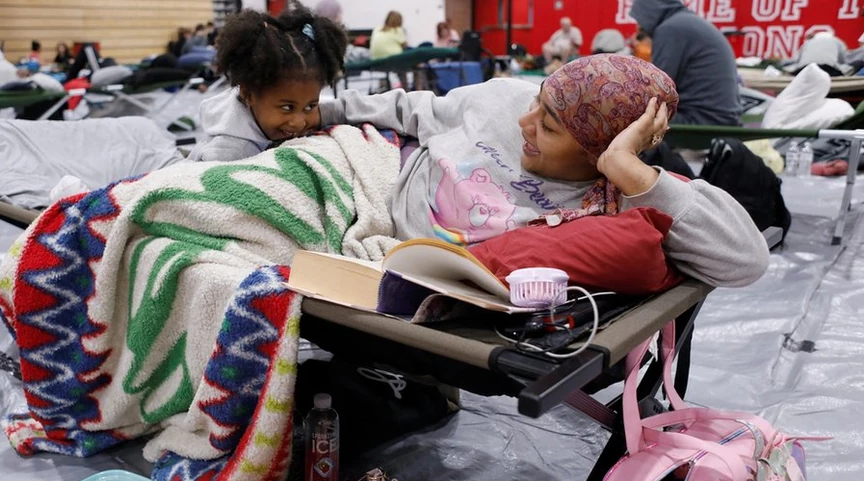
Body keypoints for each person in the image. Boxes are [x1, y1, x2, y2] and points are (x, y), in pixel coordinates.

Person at [315, 54, 769, 287]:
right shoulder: (506, 98)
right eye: (538, 101)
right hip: (369, 189)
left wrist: (633, 173)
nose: (524, 121)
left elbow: (746, 263)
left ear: (600, 153)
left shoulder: (612, 202)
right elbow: (412, 108)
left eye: (548, 126)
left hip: (408, 278)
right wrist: (313, 112)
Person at [187, 7, 347, 162]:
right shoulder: (232, 155)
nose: (299, 122)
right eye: (287, 108)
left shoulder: (267, 108)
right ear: (248, 94)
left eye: (310, 106)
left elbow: (347, 107)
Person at [630, 0, 740, 126]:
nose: (638, 26)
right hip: (720, 119)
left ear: (647, 11)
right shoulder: (685, 22)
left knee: (623, 118)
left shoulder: (670, 29)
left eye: (639, 19)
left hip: (701, 122)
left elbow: (656, 89)